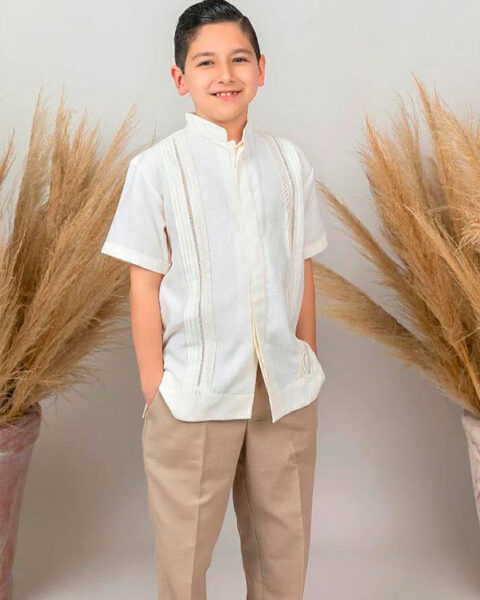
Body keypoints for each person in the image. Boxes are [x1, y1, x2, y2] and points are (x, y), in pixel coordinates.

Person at [101, 1, 329, 598]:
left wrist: (305, 356)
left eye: (239, 59)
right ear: (180, 78)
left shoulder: (289, 162)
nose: (225, 74)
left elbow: (302, 266)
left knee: (284, 557)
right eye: (206, 62)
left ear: (261, 69)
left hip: (283, 391)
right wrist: (156, 388)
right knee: (184, 564)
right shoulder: (155, 169)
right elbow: (144, 283)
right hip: (193, 393)